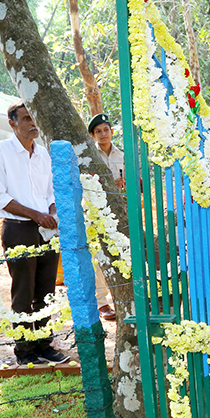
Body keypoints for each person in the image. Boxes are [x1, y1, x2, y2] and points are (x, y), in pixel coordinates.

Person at [0, 100, 68, 365]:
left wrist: (53, 212)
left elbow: (51, 191)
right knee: (23, 291)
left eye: (34, 118)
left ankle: (45, 345)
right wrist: (37, 215)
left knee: (46, 291)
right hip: (18, 229)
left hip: (47, 230)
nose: (32, 124)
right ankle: (24, 351)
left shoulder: (43, 153)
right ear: (12, 123)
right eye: (25, 119)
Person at [88, 113, 123, 321]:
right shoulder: (90, 155)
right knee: (99, 257)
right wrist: (110, 185)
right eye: (98, 131)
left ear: (111, 131)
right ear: (93, 135)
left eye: (106, 130)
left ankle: (122, 299)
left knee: (120, 255)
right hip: (96, 213)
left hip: (119, 212)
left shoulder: (122, 154)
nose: (103, 134)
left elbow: (132, 182)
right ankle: (102, 302)